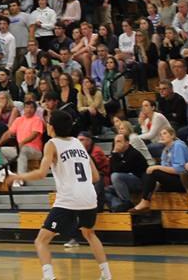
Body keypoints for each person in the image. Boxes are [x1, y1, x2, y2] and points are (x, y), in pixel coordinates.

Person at [7, 111, 111, 280]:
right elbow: (96, 176)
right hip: (90, 197)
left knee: (41, 241)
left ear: (52, 127)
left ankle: (49, 277)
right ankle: (106, 275)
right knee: (90, 234)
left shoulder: (52, 144)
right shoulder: (78, 142)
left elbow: (41, 173)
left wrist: (18, 176)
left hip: (69, 198)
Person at [129, 127, 188, 214]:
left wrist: (157, 167)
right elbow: (165, 170)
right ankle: (146, 201)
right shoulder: (165, 150)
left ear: (172, 135)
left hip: (185, 181)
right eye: (160, 134)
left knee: (154, 171)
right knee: (150, 172)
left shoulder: (178, 145)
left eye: (165, 133)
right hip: (173, 181)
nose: (161, 136)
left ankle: (145, 201)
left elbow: (180, 170)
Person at [0, 100, 45, 186]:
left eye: (31, 108)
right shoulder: (19, 120)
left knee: (22, 151)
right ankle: (7, 174)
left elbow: (35, 134)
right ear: (23, 109)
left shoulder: (37, 120)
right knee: (0, 150)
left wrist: (22, 142)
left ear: (35, 110)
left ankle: (20, 179)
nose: (29, 109)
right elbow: (8, 133)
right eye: (27, 107)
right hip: (20, 148)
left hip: (35, 151)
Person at [105, 134, 147, 212]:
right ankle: (118, 206)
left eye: (119, 141)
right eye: (115, 142)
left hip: (139, 182)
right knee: (105, 190)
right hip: (124, 183)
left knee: (115, 176)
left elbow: (118, 170)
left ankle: (126, 203)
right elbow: (113, 169)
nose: (116, 144)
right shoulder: (117, 154)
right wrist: (114, 155)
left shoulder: (133, 153)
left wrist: (114, 154)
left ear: (127, 143)